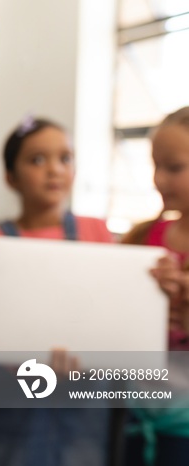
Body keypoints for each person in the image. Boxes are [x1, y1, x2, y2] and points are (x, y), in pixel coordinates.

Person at [0, 116, 114, 466]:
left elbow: (112, 309)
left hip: (87, 387)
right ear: (10, 177)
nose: (54, 170)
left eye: (65, 158)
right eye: (37, 160)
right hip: (18, 389)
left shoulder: (97, 231)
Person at [121, 106, 189, 466]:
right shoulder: (143, 238)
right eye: (155, 165)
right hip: (140, 417)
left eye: (174, 168)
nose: (159, 179)